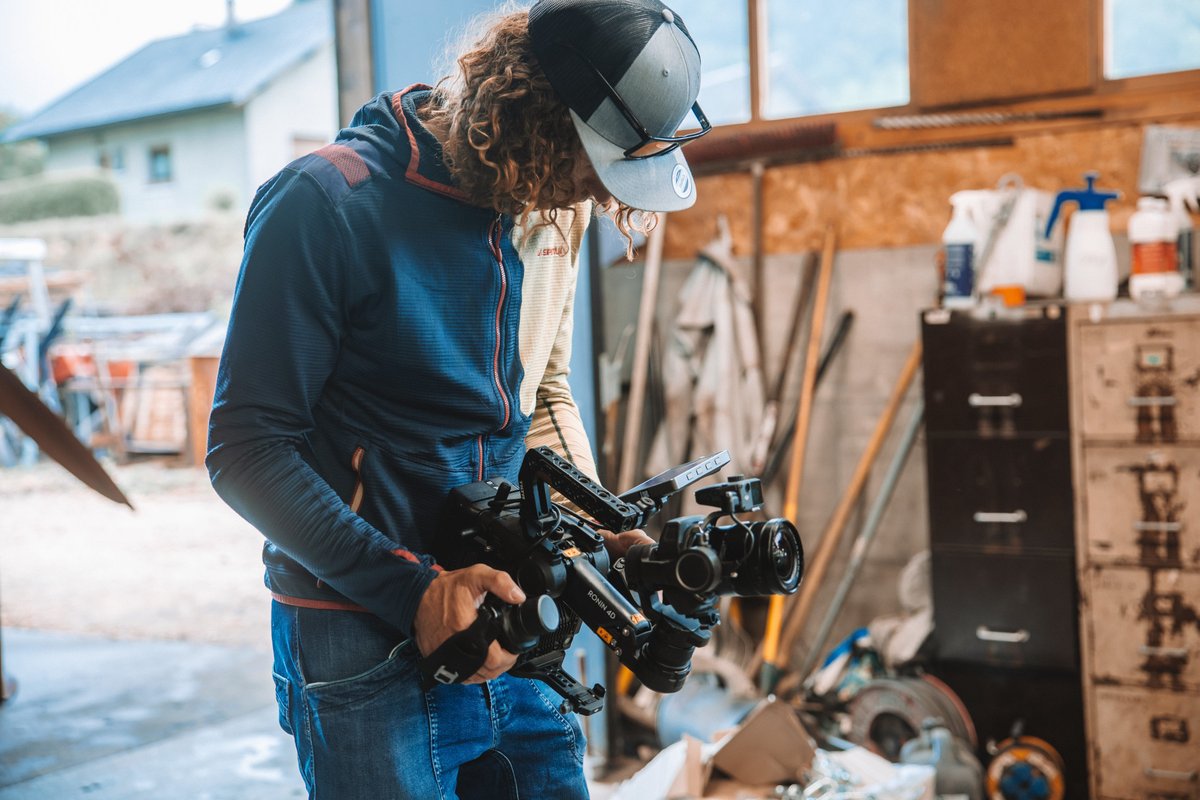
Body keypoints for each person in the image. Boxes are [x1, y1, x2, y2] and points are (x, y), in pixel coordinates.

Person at [206, 0, 708, 797]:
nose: (590, 192)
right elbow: (245, 449)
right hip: (360, 634)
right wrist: (415, 592)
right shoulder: (326, 204)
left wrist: (600, 534)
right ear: (531, 116)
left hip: (512, 618)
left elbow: (538, 394)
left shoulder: (550, 202)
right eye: (587, 165)